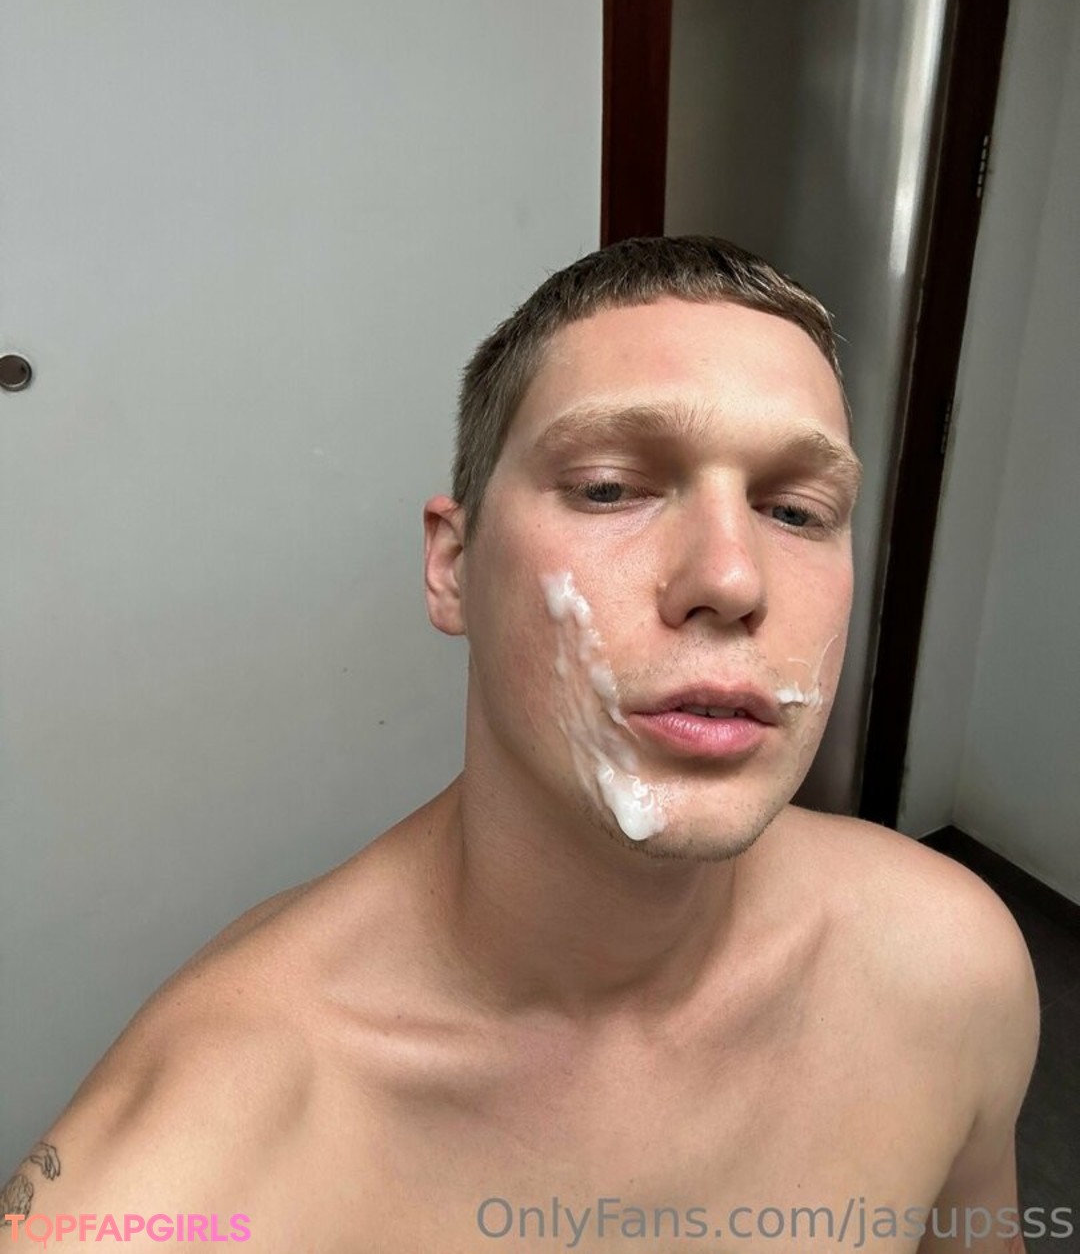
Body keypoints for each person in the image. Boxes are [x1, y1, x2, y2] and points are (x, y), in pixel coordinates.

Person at [3, 237, 1042, 1253]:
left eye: (797, 510)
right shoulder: (180, 1179)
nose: (732, 578)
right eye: (609, 487)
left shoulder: (952, 971)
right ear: (453, 566)